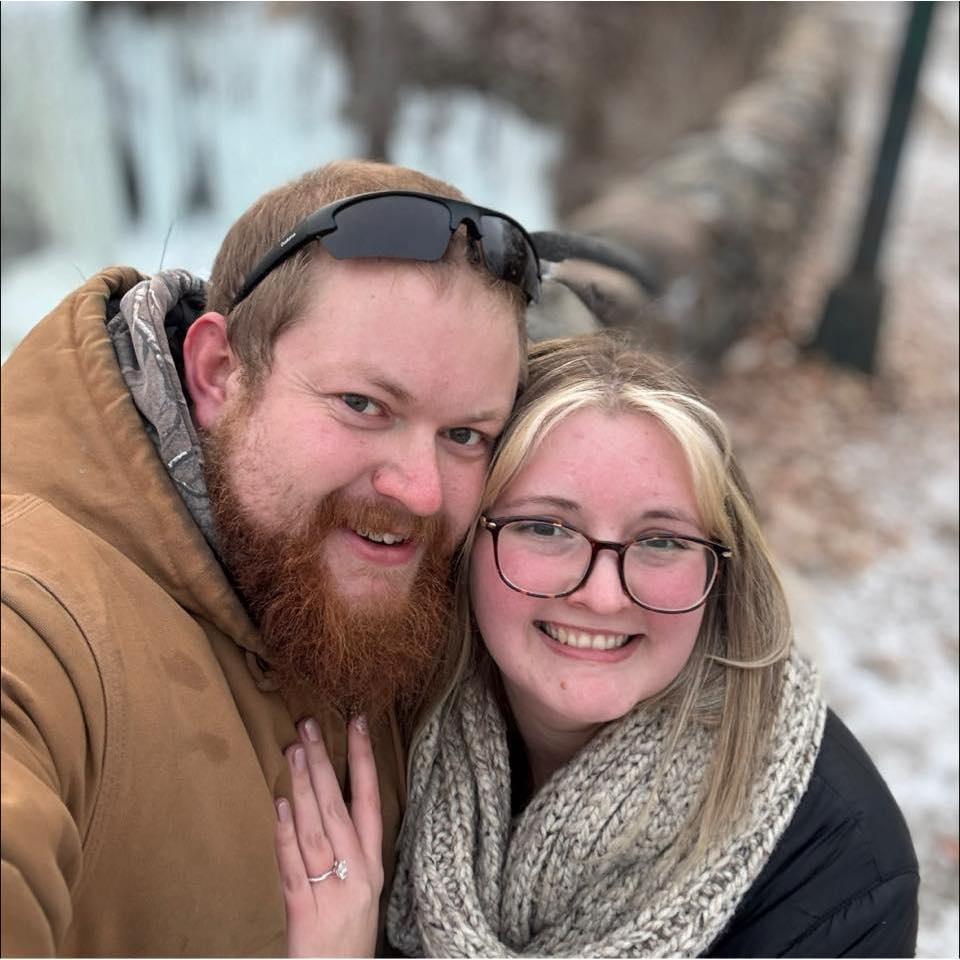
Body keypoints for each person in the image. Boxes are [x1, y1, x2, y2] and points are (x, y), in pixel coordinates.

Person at [0, 159, 541, 956]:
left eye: (465, 434)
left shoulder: (418, 586)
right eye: (364, 405)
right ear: (218, 373)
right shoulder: (36, 615)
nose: (423, 493)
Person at [278, 333, 920, 957]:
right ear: (468, 544)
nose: (605, 596)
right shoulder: (386, 713)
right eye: (546, 527)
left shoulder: (840, 873)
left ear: (719, 571)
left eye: (662, 541)